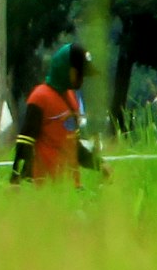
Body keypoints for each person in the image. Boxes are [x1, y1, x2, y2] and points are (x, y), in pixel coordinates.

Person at [11, 42, 101, 185]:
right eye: (80, 74)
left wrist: (100, 165)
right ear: (67, 69)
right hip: (46, 189)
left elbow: (74, 146)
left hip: (71, 188)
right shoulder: (39, 97)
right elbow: (25, 142)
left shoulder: (71, 97)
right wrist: (15, 181)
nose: (82, 80)